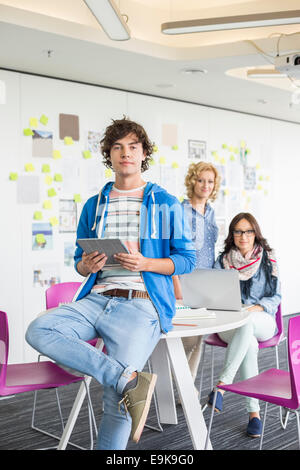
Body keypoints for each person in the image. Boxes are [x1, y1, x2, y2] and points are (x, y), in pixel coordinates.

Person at [26, 117, 196, 450]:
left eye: (133, 146)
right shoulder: (94, 205)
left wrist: (146, 263)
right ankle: (128, 380)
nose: (125, 153)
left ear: (143, 153)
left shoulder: (165, 203)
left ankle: (123, 383)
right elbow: (79, 260)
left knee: (114, 400)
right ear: (109, 155)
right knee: (39, 330)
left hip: (140, 300)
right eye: (117, 147)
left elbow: (186, 260)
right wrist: (85, 264)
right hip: (96, 298)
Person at [208, 212, 281, 438]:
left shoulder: (268, 259)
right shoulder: (222, 261)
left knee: (247, 322)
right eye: (238, 231)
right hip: (230, 322)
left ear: (255, 233)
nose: (243, 236)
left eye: (248, 231)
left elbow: (275, 297)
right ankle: (254, 415)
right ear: (232, 235)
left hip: (262, 319)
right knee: (247, 341)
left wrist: (253, 308)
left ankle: (221, 386)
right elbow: (213, 294)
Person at [173, 162, 221, 383]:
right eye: (201, 180)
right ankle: (175, 383)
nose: (205, 185)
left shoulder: (211, 213)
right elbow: (171, 251)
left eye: (210, 181)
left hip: (206, 282)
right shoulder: (180, 211)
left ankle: (187, 388)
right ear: (192, 181)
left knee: (198, 337)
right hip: (184, 281)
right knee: (187, 338)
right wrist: (176, 285)